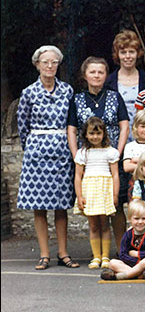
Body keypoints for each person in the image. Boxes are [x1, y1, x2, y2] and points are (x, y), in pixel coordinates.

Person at [18, 46, 79, 270]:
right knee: (39, 206)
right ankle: (44, 254)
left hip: (62, 151)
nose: (50, 66)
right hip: (36, 152)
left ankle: (63, 252)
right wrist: (32, 147)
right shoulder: (28, 92)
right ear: (37, 64)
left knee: (61, 205)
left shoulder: (67, 91)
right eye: (45, 62)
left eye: (54, 62)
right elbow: (22, 126)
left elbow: (73, 122)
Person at [67, 56, 130, 247]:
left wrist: (118, 153)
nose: (96, 75)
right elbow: (71, 129)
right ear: (85, 75)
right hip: (89, 160)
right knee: (93, 206)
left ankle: (121, 250)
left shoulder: (114, 96)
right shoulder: (77, 99)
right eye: (92, 72)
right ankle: (99, 253)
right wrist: (77, 156)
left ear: (106, 75)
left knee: (116, 205)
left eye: (101, 72)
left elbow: (124, 126)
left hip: (111, 159)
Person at [73, 117, 120, 269]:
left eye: (98, 134)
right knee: (93, 225)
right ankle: (96, 256)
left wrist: (114, 194)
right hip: (90, 191)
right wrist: (79, 196)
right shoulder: (83, 153)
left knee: (105, 224)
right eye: (91, 134)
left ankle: (105, 256)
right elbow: (78, 176)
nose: (95, 137)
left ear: (104, 134)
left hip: (104, 190)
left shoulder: (110, 152)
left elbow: (115, 175)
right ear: (86, 135)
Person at [101, 199, 145, 281]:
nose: (140, 222)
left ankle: (126, 275)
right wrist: (137, 264)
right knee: (112, 263)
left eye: (144, 218)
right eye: (136, 219)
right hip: (132, 264)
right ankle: (138, 274)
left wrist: (138, 254)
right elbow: (123, 254)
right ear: (130, 219)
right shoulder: (128, 234)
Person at [106, 30, 145, 129]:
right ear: (117, 55)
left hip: (142, 135)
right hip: (116, 135)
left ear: (138, 54)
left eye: (131, 52)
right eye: (123, 52)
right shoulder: (109, 82)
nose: (127, 56)